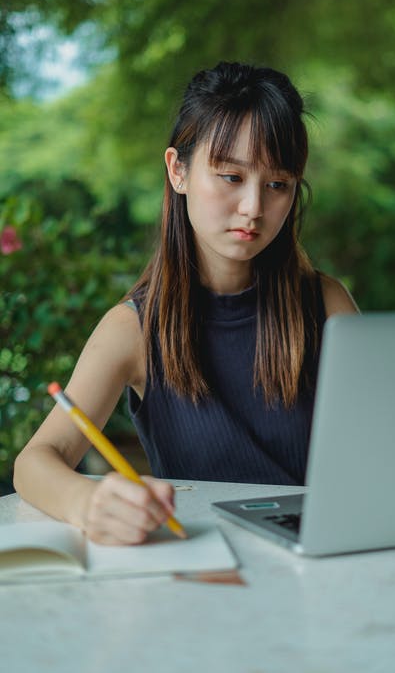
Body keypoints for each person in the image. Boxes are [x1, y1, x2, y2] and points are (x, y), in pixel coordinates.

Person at [13, 61, 358, 545]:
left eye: (277, 184)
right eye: (231, 177)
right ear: (178, 170)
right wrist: (88, 504)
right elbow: (34, 461)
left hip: (326, 557)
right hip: (203, 565)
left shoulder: (326, 303)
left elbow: (378, 448)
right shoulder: (132, 328)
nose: (254, 207)